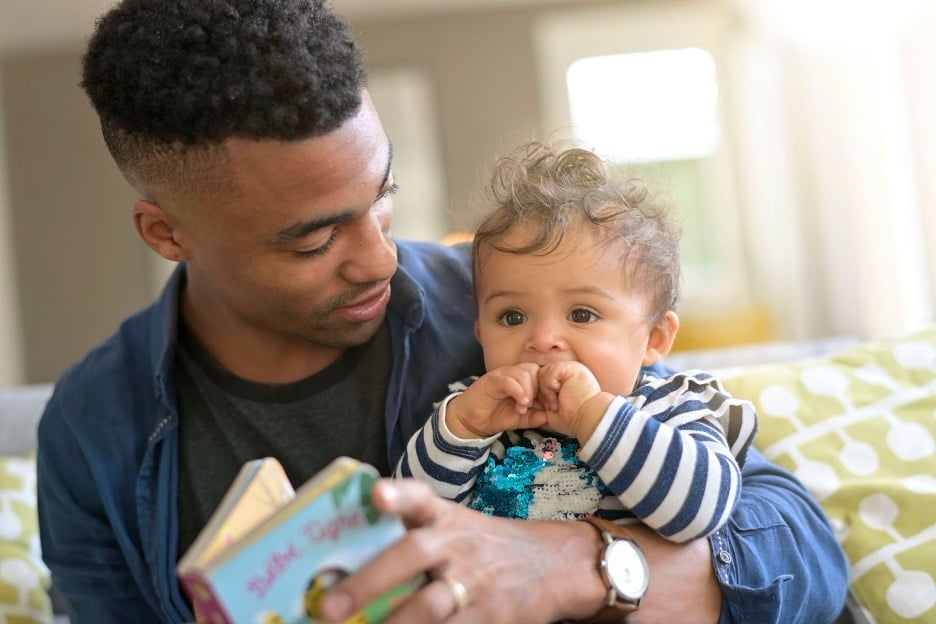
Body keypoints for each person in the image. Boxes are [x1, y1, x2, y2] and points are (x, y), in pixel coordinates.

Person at [34, 1, 849, 623]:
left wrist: (566, 566)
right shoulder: (91, 427)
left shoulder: (516, 304)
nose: (381, 258)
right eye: (315, 241)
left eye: (380, 198)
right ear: (165, 233)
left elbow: (802, 553)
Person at [396, 142, 757, 544]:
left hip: (629, 601)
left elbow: (700, 512)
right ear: (480, 332)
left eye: (582, 315)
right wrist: (461, 427)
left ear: (654, 338)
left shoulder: (671, 409)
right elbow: (410, 521)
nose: (542, 339)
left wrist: (593, 415)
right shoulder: (481, 417)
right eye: (512, 317)